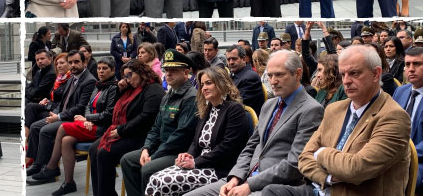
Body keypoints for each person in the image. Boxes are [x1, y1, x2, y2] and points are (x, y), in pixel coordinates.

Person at [186, 50, 324, 196]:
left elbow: (294, 164)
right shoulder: (269, 105)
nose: (273, 81)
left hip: (274, 187)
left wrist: (250, 185)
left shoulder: (311, 110)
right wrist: (235, 177)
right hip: (244, 177)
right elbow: (251, 146)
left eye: (279, 74)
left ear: (297, 74)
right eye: (270, 75)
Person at [282, 45, 411, 196]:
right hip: (323, 188)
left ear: (376, 74)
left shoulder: (394, 116)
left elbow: (356, 169)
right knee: (272, 191)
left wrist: (322, 153)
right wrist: (328, 177)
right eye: (343, 74)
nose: (346, 81)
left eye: (354, 73)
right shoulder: (334, 109)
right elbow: (304, 158)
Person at [144, 67, 251, 196]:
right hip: (200, 164)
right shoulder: (207, 108)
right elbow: (196, 142)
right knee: (154, 179)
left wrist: (195, 162)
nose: (204, 88)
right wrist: (188, 155)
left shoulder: (234, 109)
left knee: (163, 182)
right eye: (201, 84)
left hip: (219, 168)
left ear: (222, 83)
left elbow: (228, 147)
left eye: (209, 83)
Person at [28, 58, 118, 195]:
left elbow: (109, 114)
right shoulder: (99, 84)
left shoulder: (114, 87)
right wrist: (87, 118)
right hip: (90, 123)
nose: (100, 71)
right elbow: (88, 106)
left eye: (104, 68)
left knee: (63, 128)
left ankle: (51, 167)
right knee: (66, 140)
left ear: (113, 70)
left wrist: (88, 118)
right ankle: (69, 183)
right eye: (99, 68)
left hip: (103, 129)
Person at [119, 49, 198, 196]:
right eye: (166, 70)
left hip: (178, 152)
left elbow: (181, 135)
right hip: (161, 148)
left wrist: (154, 156)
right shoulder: (168, 96)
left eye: (174, 70)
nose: (168, 74)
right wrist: (146, 149)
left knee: (148, 168)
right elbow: (155, 128)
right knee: (127, 160)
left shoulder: (190, 97)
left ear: (186, 72)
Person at [26, 50, 97, 178]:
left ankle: (47, 169)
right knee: (35, 126)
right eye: (71, 62)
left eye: (76, 62)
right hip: (63, 115)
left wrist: (58, 117)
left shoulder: (89, 80)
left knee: (45, 130)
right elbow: (63, 102)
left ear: (84, 62)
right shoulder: (72, 78)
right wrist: (54, 114)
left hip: (75, 119)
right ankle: (37, 164)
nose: (73, 65)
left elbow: (80, 108)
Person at [394, 47, 423, 191]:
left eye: (417, 64)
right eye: (407, 64)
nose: (411, 69)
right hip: (393, 156)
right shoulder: (400, 91)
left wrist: (401, 154)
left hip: (419, 161)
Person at [24, 52, 71, 140]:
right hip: (50, 104)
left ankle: (26, 138)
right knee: (29, 106)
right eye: (37, 60)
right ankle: (27, 137)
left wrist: (31, 93)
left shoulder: (55, 75)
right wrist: (48, 99)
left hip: (57, 109)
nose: (59, 66)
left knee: (33, 111)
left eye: (62, 63)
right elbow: (30, 87)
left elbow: (37, 91)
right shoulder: (58, 78)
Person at [226, 45, 267, 114]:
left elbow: (237, 105)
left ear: (244, 59)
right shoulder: (232, 75)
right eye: (228, 59)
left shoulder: (250, 78)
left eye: (234, 59)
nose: (231, 62)